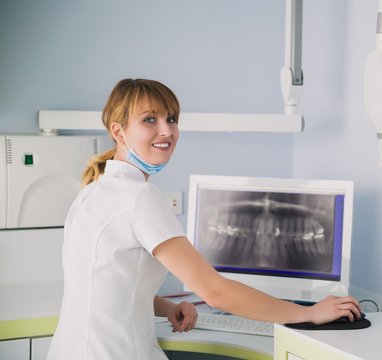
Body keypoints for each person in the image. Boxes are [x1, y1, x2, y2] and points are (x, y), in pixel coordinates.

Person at [47, 78, 361, 360]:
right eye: (149, 120)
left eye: (171, 119)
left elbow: (106, 284)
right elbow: (217, 293)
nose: (166, 130)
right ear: (118, 131)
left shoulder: (90, 191)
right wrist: (308, 313)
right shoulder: (140, 197)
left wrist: (166, 308)